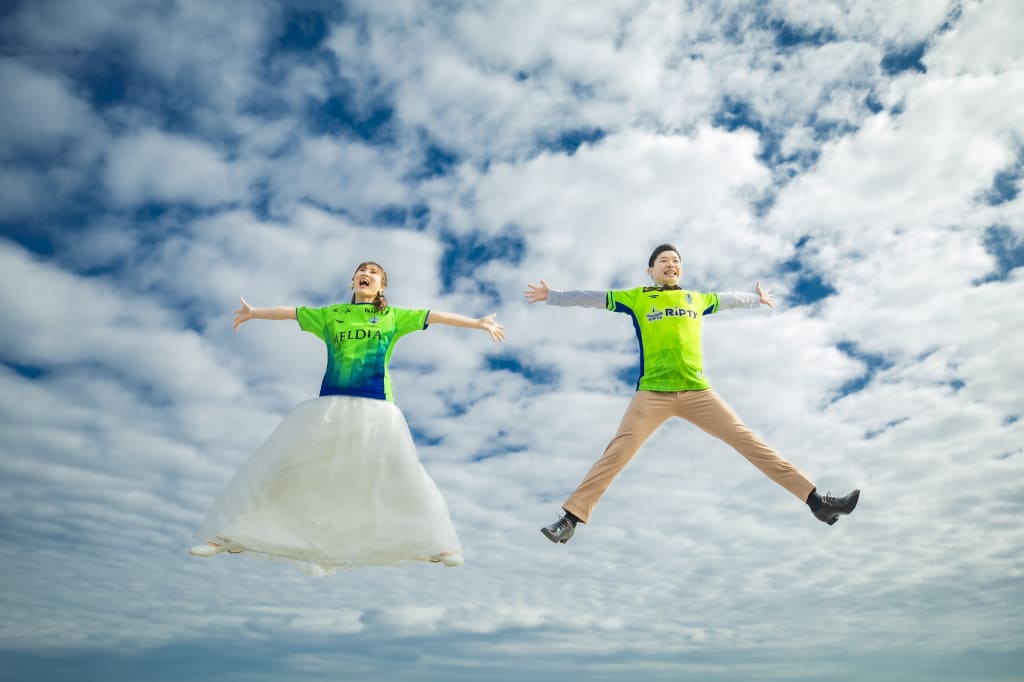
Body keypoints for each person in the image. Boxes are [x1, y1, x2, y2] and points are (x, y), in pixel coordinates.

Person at [525, 243, 859, 545]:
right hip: (652, 394)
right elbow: (591, 297)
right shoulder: (637, 297)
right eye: (663, 261)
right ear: (651, 270)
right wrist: (553, 295)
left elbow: (729, 299)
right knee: (618, 451)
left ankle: (818, 503)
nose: (670, 264)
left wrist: (757, 300)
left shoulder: (696, 299)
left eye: (675, 261)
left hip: (698, 392)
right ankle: (570, 520)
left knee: (748, 441)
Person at [190, 260, 504, 572]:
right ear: (353, 280)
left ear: (382, 286)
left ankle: (439, 543)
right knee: (290, 470)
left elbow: (437, 317)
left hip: (377, 409)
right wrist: (254, 313)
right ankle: (233, 535)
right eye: (361, 271)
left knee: (400, 472)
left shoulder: (392, 316)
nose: (366, 275)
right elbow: (290, 312)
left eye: (374, 273)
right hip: (330, 408)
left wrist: (478, 323)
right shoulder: (331, 315)